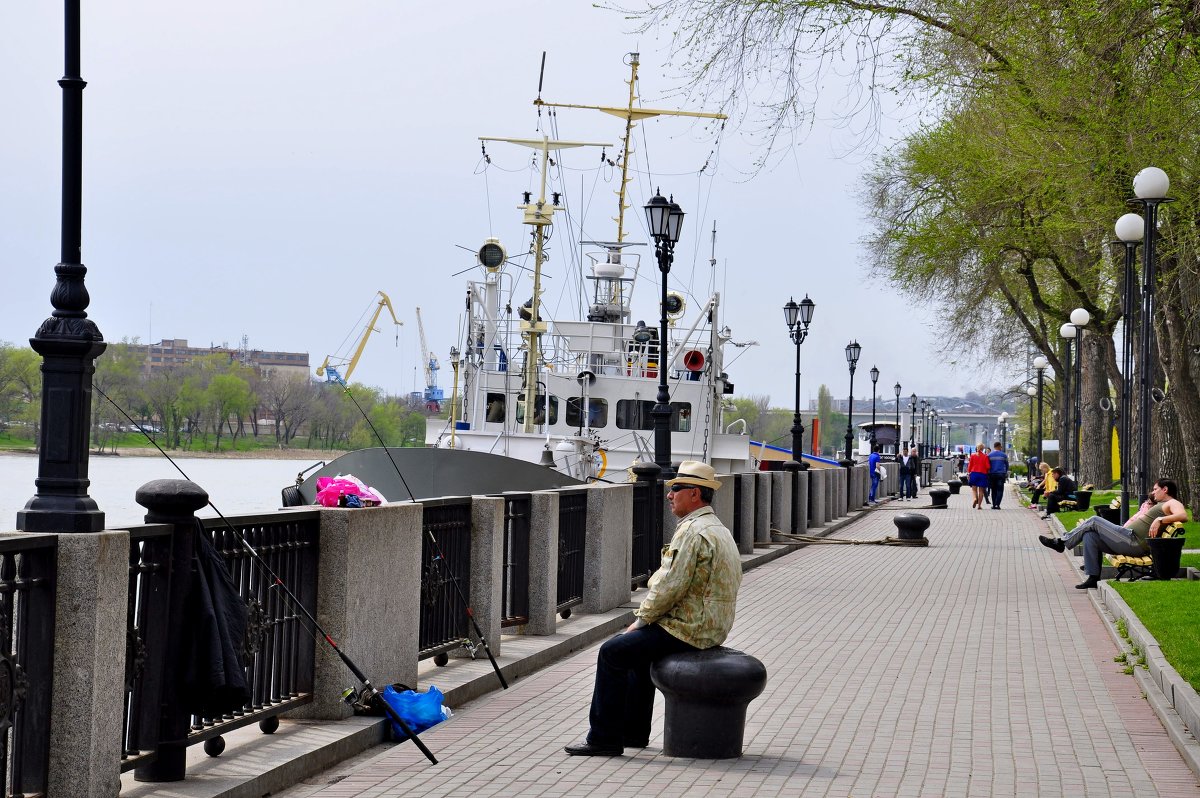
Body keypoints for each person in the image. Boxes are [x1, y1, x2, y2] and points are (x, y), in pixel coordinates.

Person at [564, 460, 743, 756]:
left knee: (613, 652)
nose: (669, 495)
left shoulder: (691, 533)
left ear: (695, 494)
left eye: (676, 488)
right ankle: (633, 733)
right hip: (712, 625)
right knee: (636, 654)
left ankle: (603, 738)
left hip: (689, 627)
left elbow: (669, 586)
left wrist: (641, 620)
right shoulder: (717, 528)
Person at [1039, 478, 1187, 589]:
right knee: (1090, 535)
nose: (1153, 492)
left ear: (1165, 489)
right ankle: (1093, 578)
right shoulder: (1161, 504)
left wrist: (1160, 519)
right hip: (1128, 539)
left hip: (1133, 541)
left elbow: (1183, 516)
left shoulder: (1171, 503)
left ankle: (1061, 542)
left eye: (1156, 489)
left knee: (1095, 520)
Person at [966, 444, 990, 509]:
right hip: (982, 474)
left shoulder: (973, 456)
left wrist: (968, 473)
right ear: (983, 449)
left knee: (974, 490)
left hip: (974, 474)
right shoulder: (985, 456)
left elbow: (969, 466)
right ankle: (979, 506)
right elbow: (988, 466)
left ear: (977, 448)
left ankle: (974, 499)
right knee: (981, 491)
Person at [987, 441, 1009, 509]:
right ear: (999, 446)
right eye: (1001, 447)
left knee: (993, 490)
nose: (1001, 448)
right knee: (1000, 490)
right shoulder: (1004, 455)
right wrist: (1005, 472)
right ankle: (997, 504)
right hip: (1001, 474)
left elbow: (987, 465)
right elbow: (1007, 465)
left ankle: (994, 505)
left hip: (992, 474)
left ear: (994, 447)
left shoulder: (989, 455)